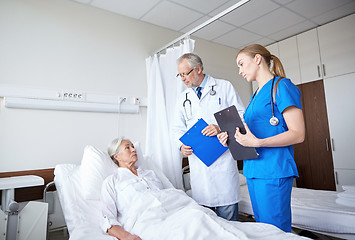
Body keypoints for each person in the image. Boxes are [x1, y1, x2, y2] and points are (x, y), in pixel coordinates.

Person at [218, 44, 305, 232]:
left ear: (257, 59)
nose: (240, 71)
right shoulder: (255, 95)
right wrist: (230, 140)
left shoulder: (282, 86)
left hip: (273, 170)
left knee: (276, 231)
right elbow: (252, 134)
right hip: (253, 170)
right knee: (264, 230)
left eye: (241, 64)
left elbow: (298, 134)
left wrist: (258, 143)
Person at [172, 53, 245, 221]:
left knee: (229, 225)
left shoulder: (224, 87)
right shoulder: (183, 97)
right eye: (180, 75)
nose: (182, 78)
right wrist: (180, 146)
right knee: (206, 225)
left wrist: (220, 127)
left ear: (198, 69)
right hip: (199, 167)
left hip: (223, 163)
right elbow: (177, 128)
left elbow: (241, 116)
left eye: (185, 73)